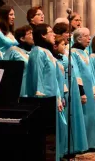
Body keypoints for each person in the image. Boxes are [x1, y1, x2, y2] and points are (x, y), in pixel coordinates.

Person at [26, 23, 65, 161]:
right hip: (43, 100)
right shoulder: (37, 51)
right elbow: (38, 76)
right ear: (42, 35)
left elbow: (54, 78)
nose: (54, 34)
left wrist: (59, 97)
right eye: (50, 32)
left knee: (52, 136)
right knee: (45, 137)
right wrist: (40, 97)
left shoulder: (47, 52)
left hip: (52, 98)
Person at [71, 27, 95, 151]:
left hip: (89, 88)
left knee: (91, 117)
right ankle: (82, 144)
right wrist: (81, 91)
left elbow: (91, 73)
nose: (89, 38)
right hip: (81, 89)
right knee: (83, 116)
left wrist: (94, 90)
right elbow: (76, 73)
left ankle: (91, 143)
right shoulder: (73, 52)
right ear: (78, 38)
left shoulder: (85, 52)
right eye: (86, 36)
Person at [4, 25, 34, 97]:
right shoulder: (13, 50)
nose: (33, 35)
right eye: (30, 33)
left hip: (33, 92)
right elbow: (5, 69)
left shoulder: (35, 51)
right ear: (22, 38)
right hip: (20, 91)